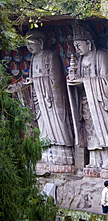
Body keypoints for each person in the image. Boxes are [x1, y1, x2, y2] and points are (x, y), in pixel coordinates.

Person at [68, 21, 108, 169]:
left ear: (89, 44)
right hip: (87, 102)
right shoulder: (81, 61)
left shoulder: (102, 56)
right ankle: (95, 160)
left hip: (101, 102)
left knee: (105, 130)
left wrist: (85, 82)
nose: (77, 49)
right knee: (91, 132)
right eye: (75, 46)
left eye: (79, 45)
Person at [24, 29, 74, 166]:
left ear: (40, 42)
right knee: (43, 125)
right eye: (27, 45)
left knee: (56, 123)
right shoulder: (33, 58)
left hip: (51, 97)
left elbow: (56, 79)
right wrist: (32, 82)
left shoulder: (51, 56)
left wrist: (45, 87)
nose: (29, 47)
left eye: (31, 43)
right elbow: (33, 77)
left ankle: (62, 153)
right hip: (39, 97)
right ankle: (45, 152)